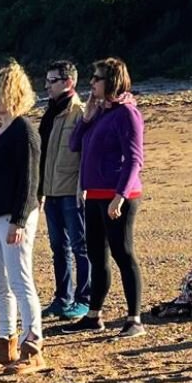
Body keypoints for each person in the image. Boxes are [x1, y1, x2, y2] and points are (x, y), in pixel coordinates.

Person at [65, 57, 146, 338]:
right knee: (97, 256)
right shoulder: (100, 112)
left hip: (118, 195)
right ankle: (93, 315)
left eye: (97, 79)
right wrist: (86, 118)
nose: (92, 84)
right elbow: (75, 145)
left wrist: (120, 196)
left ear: (111, 81)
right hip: (94, 194)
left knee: (123, 253)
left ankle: (134, 318)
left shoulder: (127, 113)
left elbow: (135, 159)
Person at [0, 61, 45, 375]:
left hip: (15, 216)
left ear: (14, 94)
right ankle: (6, 343)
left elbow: (30, 181)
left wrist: (19, 219)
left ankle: (34, 345)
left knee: (20, 280)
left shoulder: (23, 130)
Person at [38, 59, 91, 322]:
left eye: (53, 81)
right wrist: (39, 190)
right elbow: (43, 154)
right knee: (58, 247)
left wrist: (83, 188)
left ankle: (84, 299)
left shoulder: (80, 112)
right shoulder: (49, 113)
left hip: (72, 190)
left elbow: (86, 154)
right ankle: (62, 298)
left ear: (68, 82)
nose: (47, 86)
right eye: (47, 80)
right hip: (51, 191)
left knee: (81, 246)